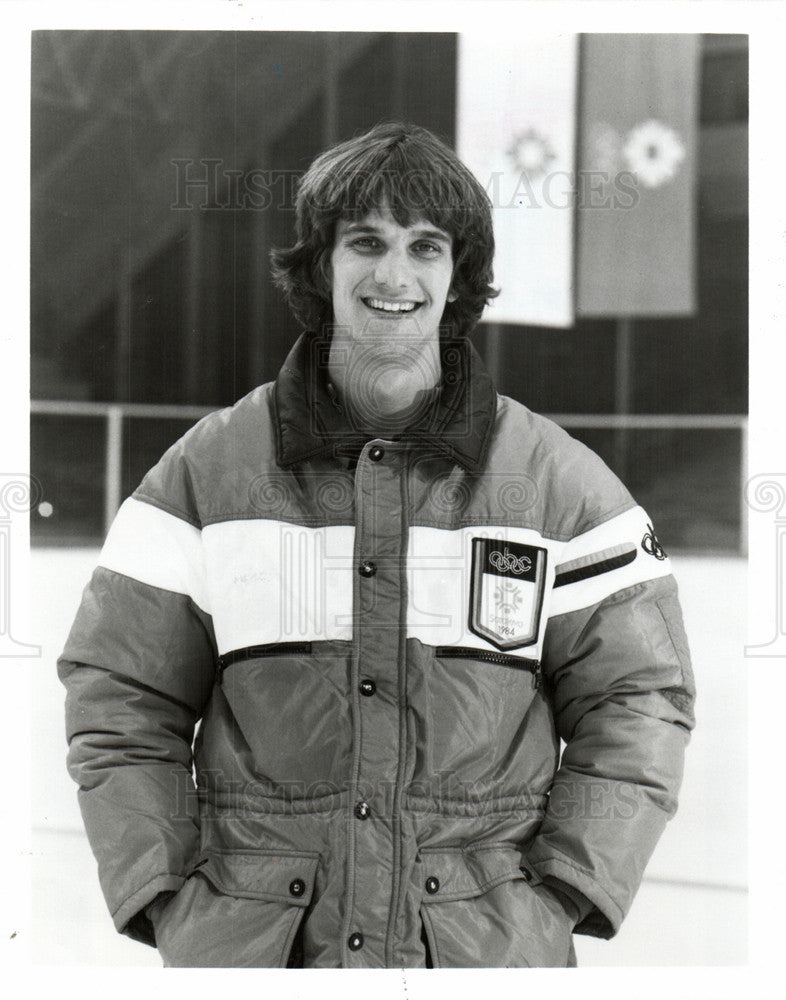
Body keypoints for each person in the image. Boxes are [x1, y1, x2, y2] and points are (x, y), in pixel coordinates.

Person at [58, 122, 695, 968]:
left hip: (483, 955)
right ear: (321, 265)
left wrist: (562, 894)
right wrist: (165, 893)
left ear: (458, 275)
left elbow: (641, 696)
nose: (395, 275)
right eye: (366, 242)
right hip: (254, 954)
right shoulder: (205, 474)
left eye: (425, 246)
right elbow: (119, 697)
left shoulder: (558, 484)